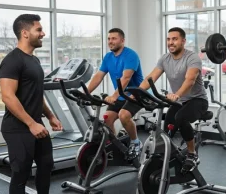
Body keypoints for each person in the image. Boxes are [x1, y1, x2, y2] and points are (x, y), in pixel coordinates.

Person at [0, 14, 62, 194]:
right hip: (18, 127)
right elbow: (7, 96)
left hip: (35, 124)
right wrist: (31, 123)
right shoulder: (12, 61)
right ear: (25, 33)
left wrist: (50, 116)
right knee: (21, 174)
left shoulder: (34, 60)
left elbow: (36, 94)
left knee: (46, 166)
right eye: (39, 30)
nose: (43, 33)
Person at [138, 27, 209, 173]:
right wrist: (137, 93)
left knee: (181, 117)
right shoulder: (165, 59)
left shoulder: (192, 58)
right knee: (166, 128)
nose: (171, 42)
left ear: (183, 41)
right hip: (179, 101)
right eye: (169, 39)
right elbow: (151, 78)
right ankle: (171, 155)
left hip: (198, 100)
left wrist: (177, 94)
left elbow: (190, 80)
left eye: (174, 39)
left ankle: (192, 154)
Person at [84, 28, 144, 159]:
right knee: (107, 119)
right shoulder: (108, 57)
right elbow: (99, 76)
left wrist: (114, 96)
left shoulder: (131, 55)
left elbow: (126, 78)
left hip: (137, 94)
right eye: (109, 39)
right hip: (122, 94)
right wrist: (86, 93)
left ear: (122, 40)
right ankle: (115, 146)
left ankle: (135, 142)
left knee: (124, 115)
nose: (110, 41)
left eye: (114, 38)